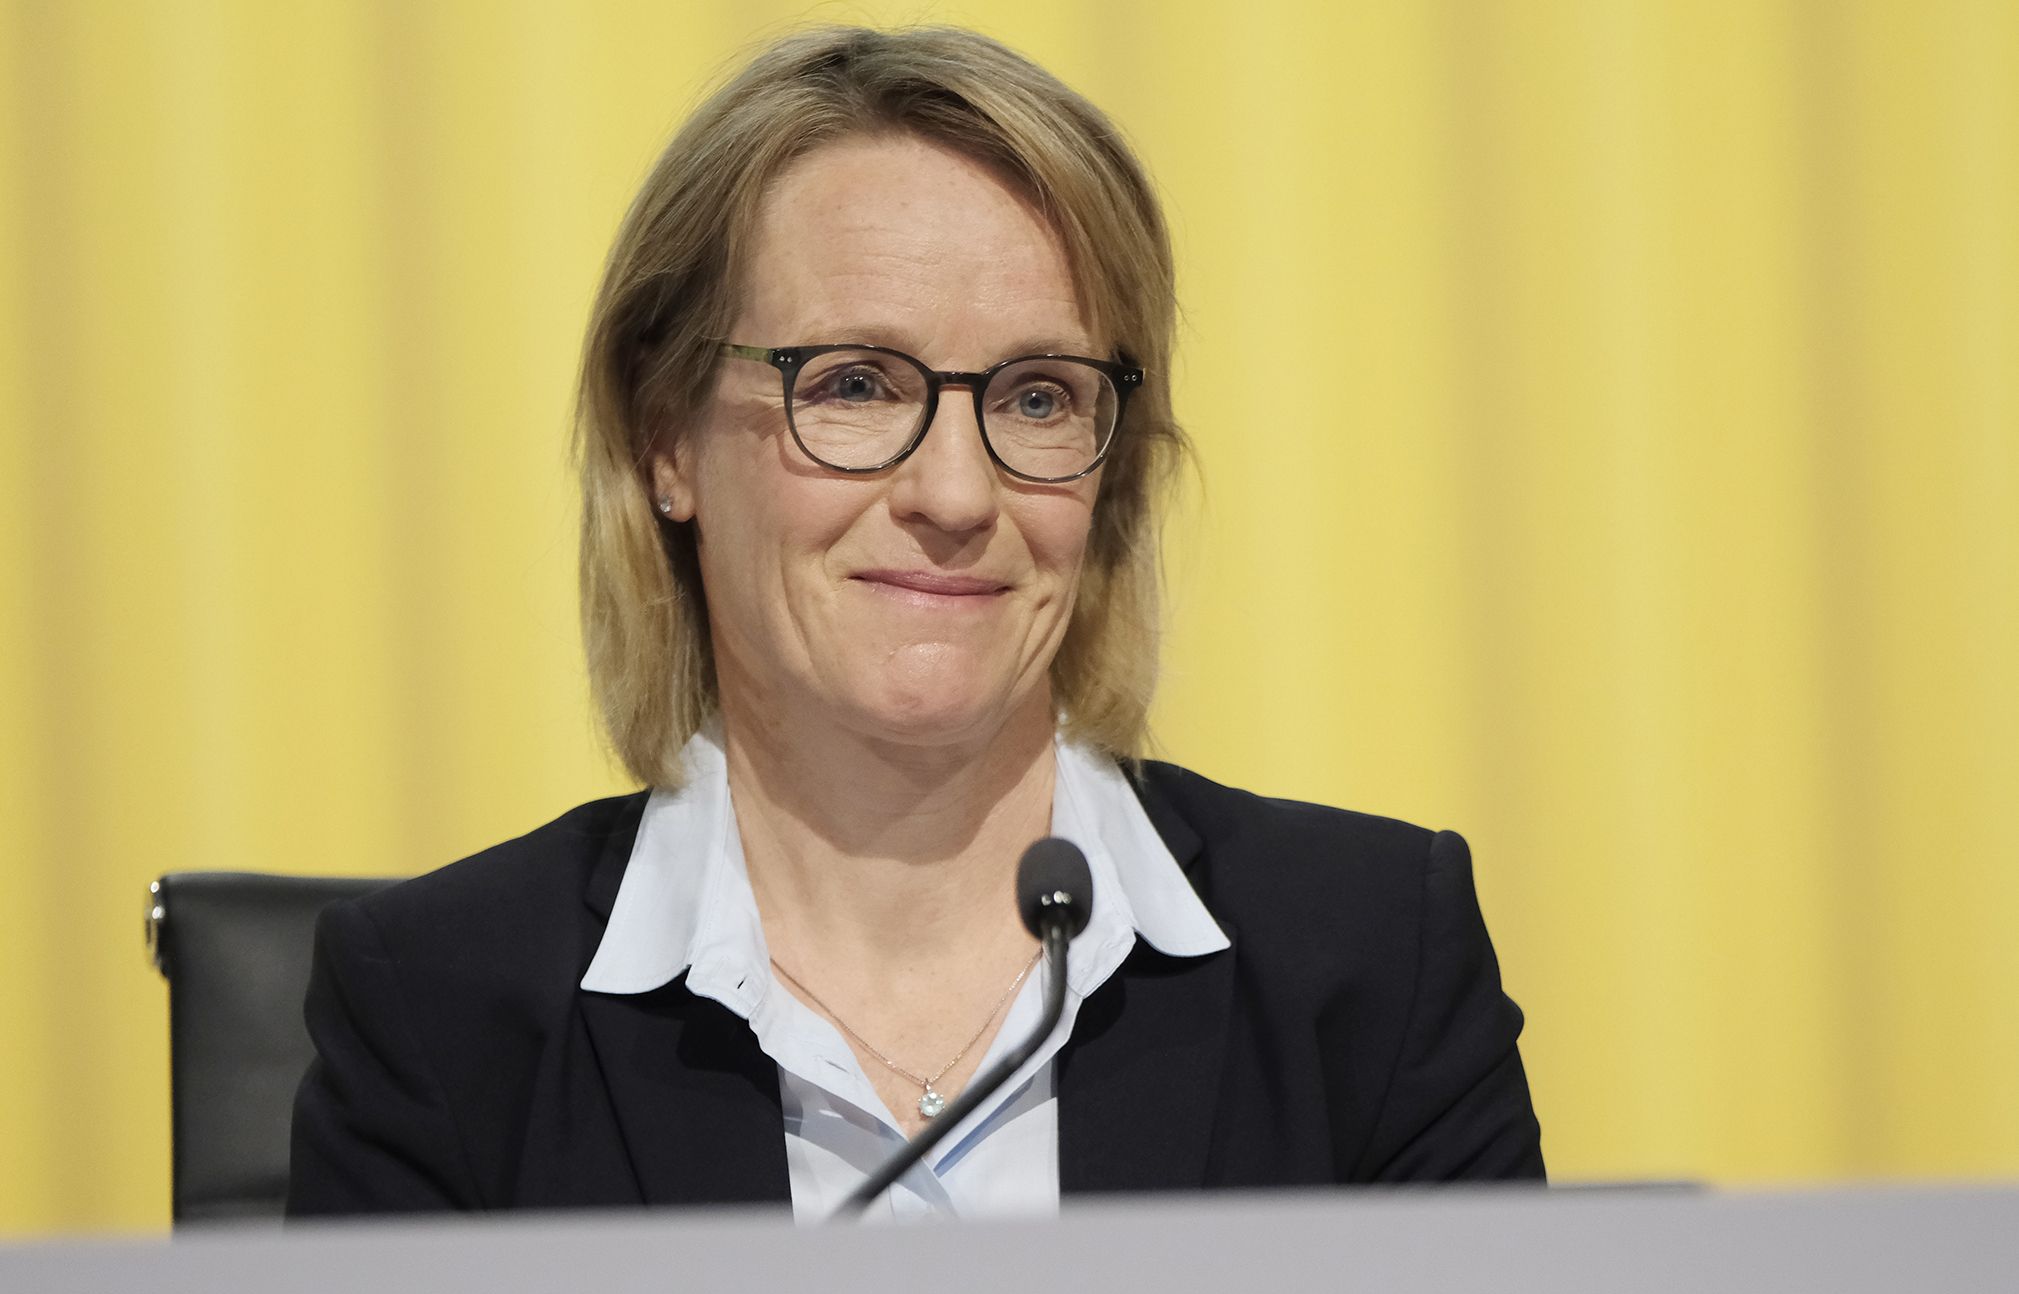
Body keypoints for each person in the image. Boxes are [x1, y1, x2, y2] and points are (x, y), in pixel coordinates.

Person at [287, 24, 1543, 1222]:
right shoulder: (439, 1017)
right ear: (666, 437)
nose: (955, 493)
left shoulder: (1374, 968)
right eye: (854, 384)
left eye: (1038, 396)